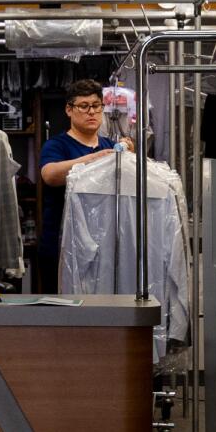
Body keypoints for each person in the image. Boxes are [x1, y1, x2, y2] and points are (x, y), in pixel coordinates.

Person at [36, 79, 129, 293]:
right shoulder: (57, 145)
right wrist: (95, 159)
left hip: (102, 247)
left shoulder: (109, 146)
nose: (92, 112)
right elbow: (50, 175)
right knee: (63, 316)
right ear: (69, 110)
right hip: (62, 247)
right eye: (84, 106)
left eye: (96, 106)